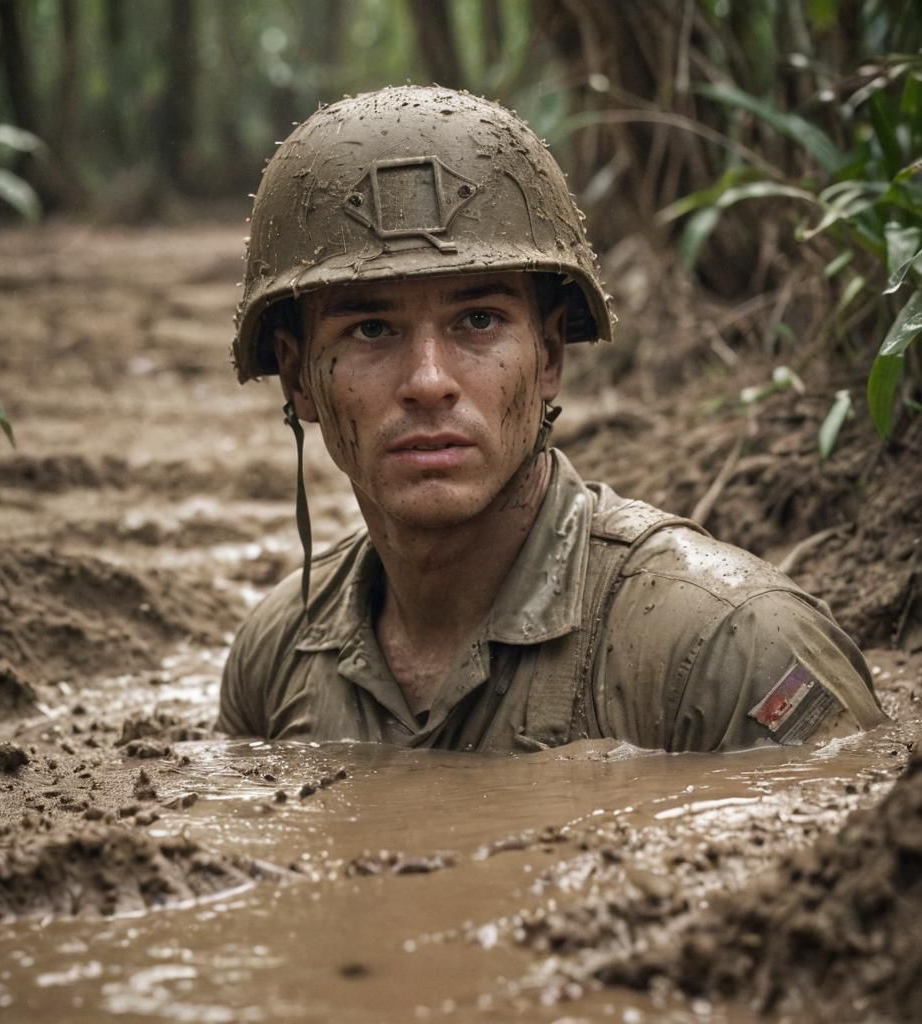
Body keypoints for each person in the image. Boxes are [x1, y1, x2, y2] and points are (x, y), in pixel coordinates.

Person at [217, 85, 885, 753]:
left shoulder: (730, 648)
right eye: (370, 329)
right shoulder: (276, 658)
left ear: (550, 355)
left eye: (477, 321)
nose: (428, 382)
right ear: (300, 376)